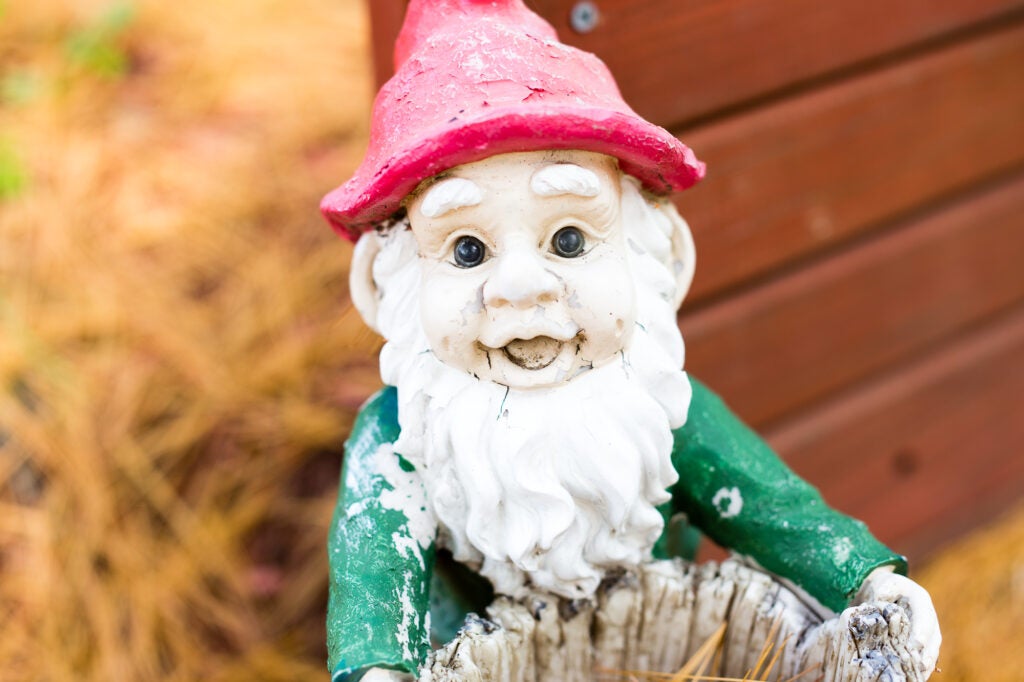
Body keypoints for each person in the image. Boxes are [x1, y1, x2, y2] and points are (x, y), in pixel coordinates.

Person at [320, 2, 940, 680]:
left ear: (661, 259)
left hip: (659, 649)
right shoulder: (402, 441)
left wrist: (869, 582)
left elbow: (772, 507)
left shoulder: (660, 405)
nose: (521, 288)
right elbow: (373, 587)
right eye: (468, 250)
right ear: (386, 288)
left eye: (569, 240)